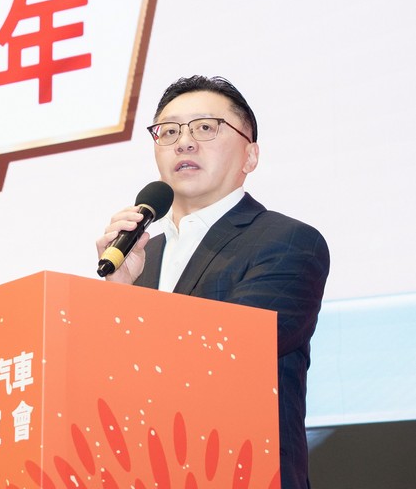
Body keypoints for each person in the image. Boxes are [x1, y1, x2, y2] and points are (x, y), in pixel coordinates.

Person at [96, 75, 329, 489]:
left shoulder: (288, 241)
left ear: (250, 156)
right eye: (169, 132)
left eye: (205, 127)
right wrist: (116, 296)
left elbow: (227, 354)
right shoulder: (138, 260)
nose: (184, 143)